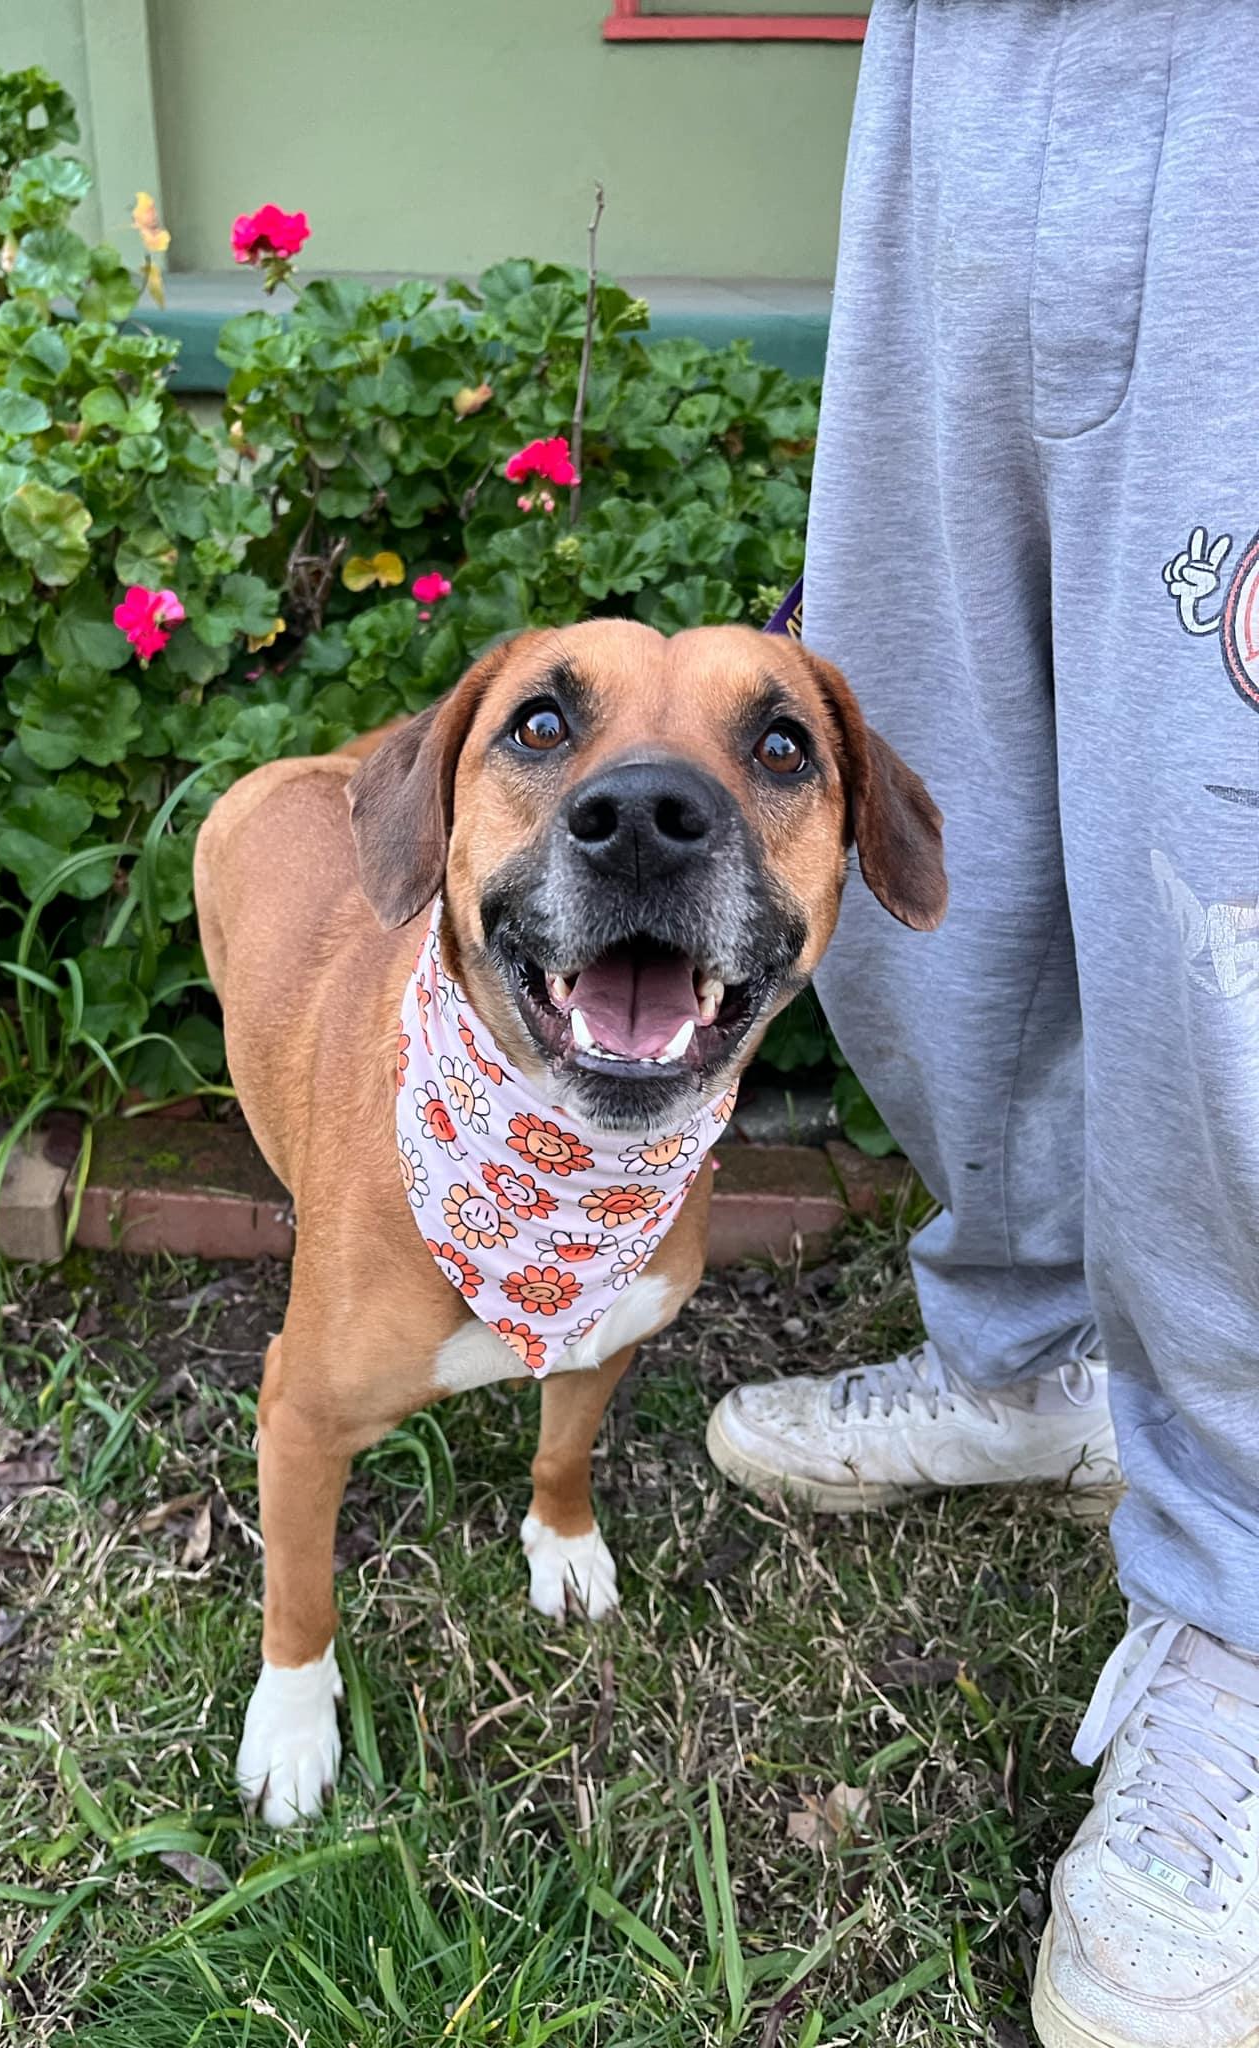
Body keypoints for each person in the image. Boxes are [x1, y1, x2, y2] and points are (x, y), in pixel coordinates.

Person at [706, 5, 1259, 2043]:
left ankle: (1246, 1601)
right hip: (965, 55)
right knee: (932, 788)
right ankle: (1030, 1349)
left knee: (1227, 858)